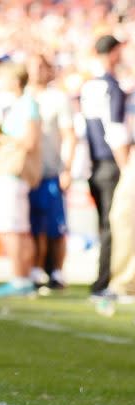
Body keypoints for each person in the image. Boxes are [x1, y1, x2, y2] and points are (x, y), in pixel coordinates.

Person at [0, 61, 41, 298]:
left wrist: (0, 139)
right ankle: (23, 277)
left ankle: (19, 278)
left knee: (11, 228)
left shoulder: (26, 104)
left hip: (13, 171)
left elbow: (29, 140)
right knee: (18, 228)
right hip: (12, 171)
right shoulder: (20, 104)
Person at [80, 35, 129, 298]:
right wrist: (126, 168)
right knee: (115, 225)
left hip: (95, 165)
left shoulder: (88, 86)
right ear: (112, 53)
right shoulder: (110, 86)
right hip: (111, 163)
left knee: (105, 226)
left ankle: (103, 280)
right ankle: (106, 282)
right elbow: (115, 130)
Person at [26, 54, 76, 291]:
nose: (37, 71)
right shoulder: (22, 97)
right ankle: (34, 270)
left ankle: (56, 271)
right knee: (32, 224)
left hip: (50, 170)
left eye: (41, 66)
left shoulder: (57, 98)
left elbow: (69, 135)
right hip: (27, 173)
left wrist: (67, 168)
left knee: (55, 225)